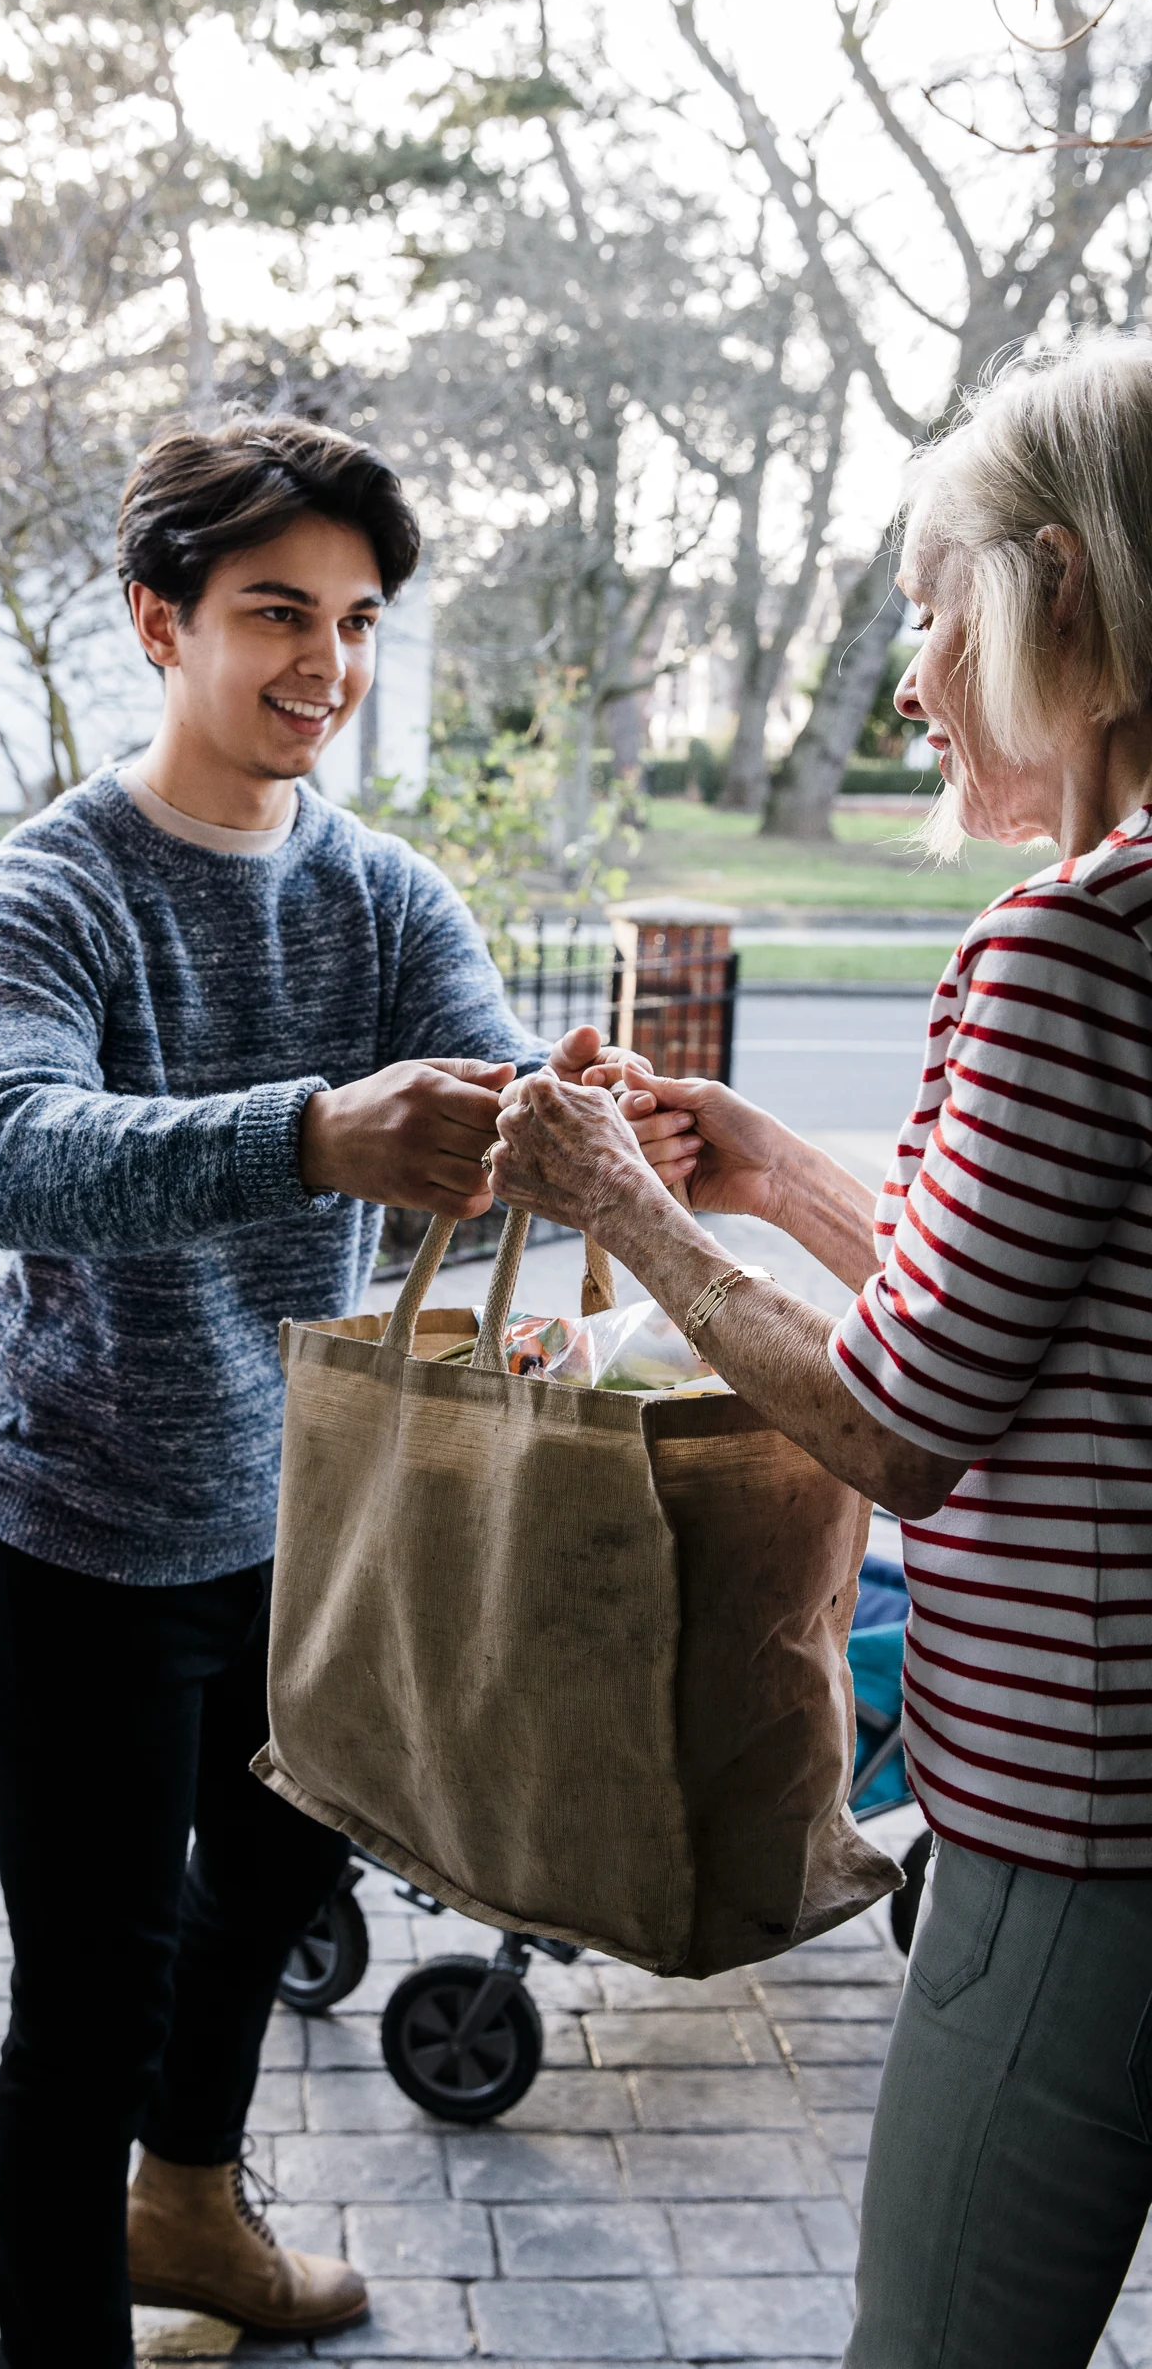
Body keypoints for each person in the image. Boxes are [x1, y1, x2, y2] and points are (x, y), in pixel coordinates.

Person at [0, 414, 635, 2369]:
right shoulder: (47, 891)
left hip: (304, 1515)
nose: (323, 662)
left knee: (266, 1875)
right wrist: (315, 1130)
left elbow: (484, 1097)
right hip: (72, 1524)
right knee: (88, 1984)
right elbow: (9, 1150)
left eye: (352, 619)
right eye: (273, 613)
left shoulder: (383, 895)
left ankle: (188, 2202)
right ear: (158, 621)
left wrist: (548, 1122)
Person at [484, 338, 1152, 2369]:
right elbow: (1055, 1331)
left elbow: (906, 1418)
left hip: (1076, 1807)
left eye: (933, 614)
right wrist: (764, 1170)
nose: (912, 680)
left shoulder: (1057, 945)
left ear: (1055, 590)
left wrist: (624, 1207)